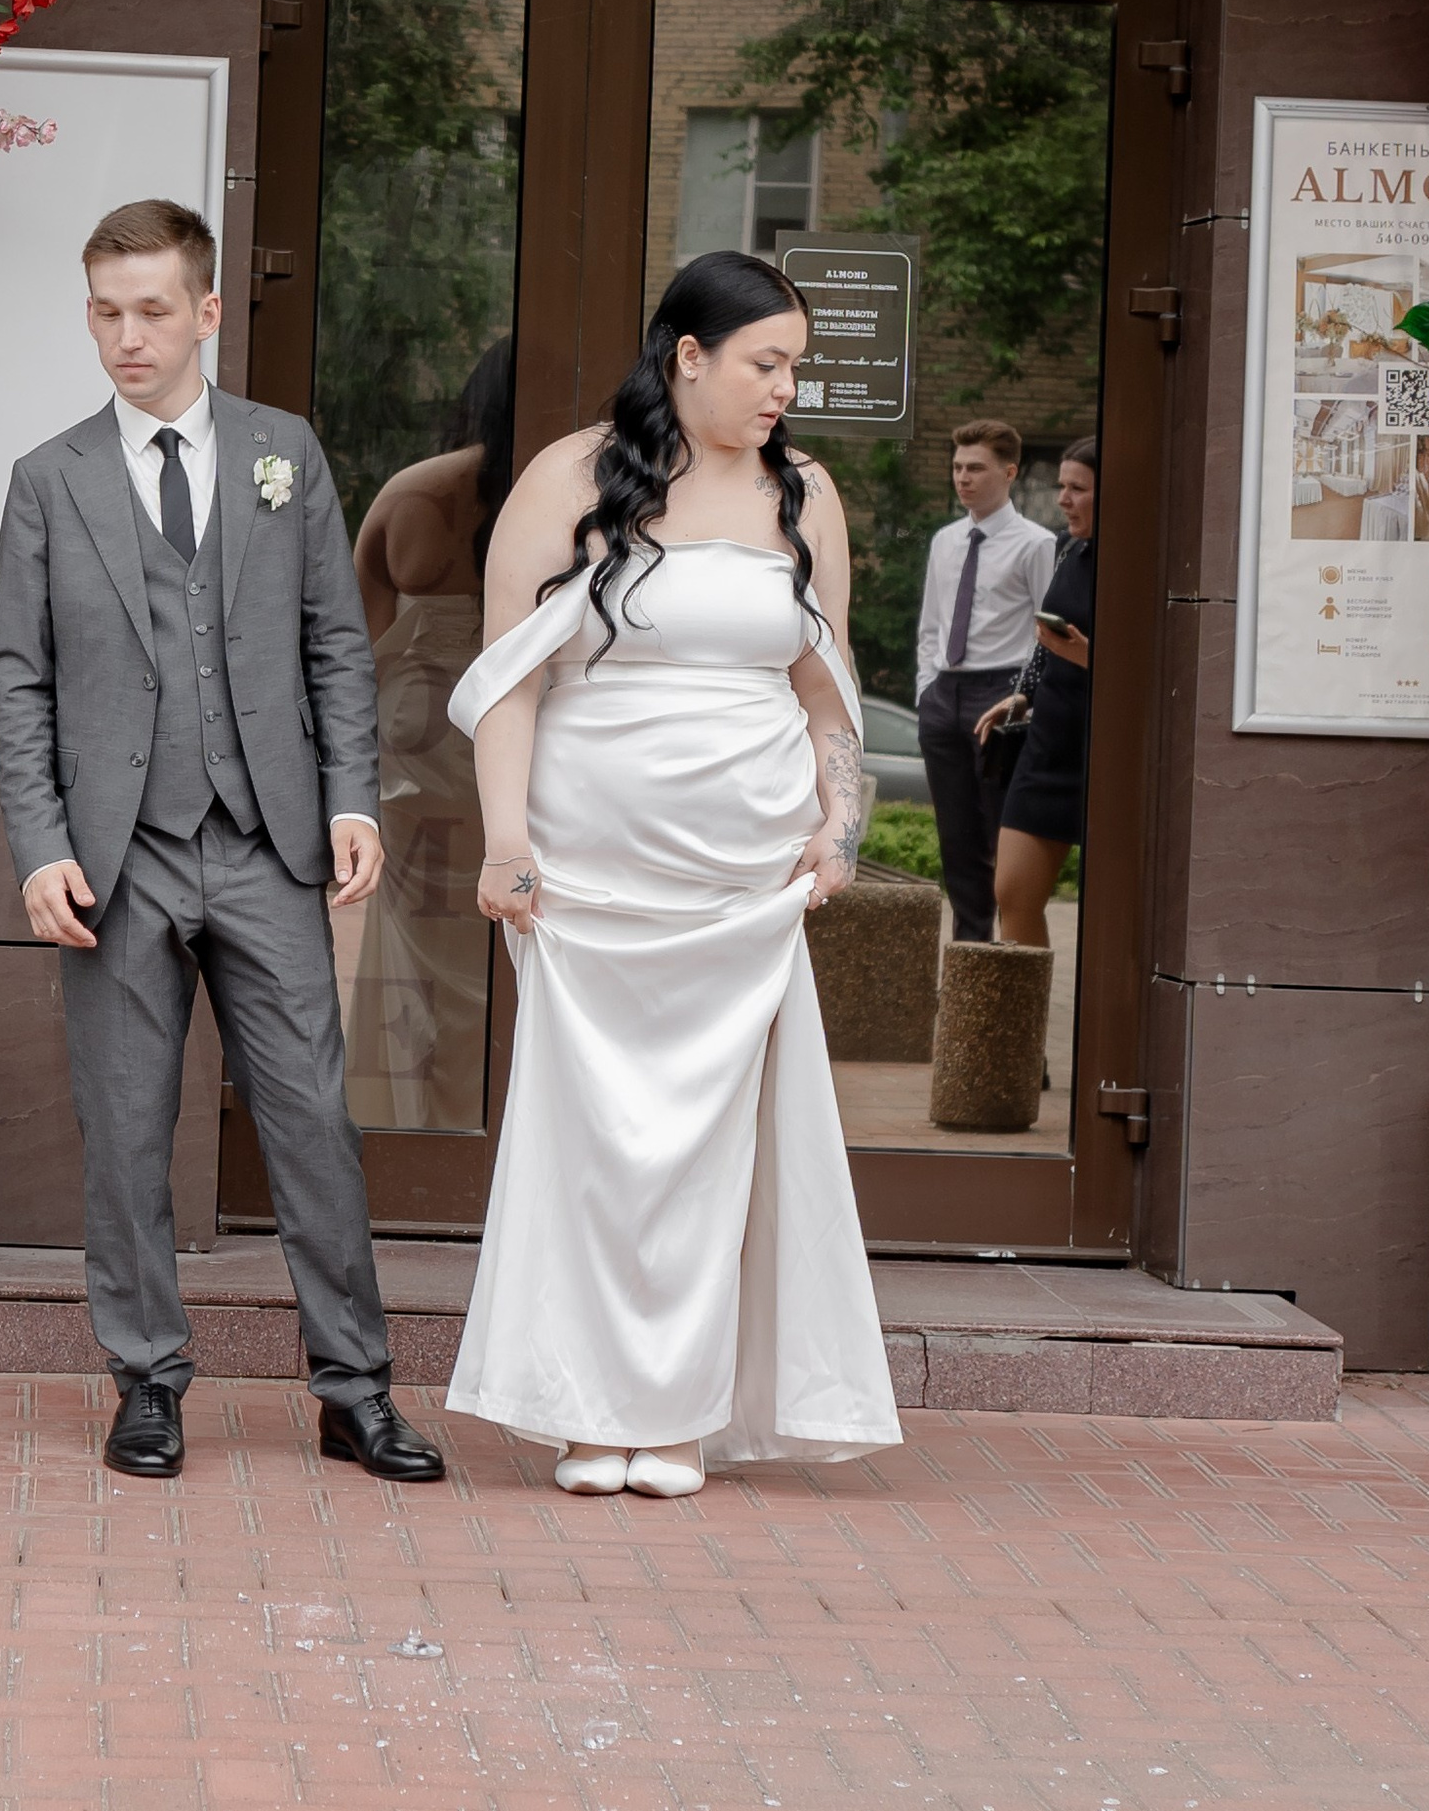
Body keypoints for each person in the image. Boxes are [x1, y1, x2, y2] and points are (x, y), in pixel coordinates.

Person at [0, 197, 446, 1487]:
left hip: (263, 846)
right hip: (113, 858)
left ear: (203, 313)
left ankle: (354, 1390)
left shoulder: (282, 453)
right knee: (127, 1132)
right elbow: (18, 680)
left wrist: (351, 800)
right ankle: (146, 1382)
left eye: (149, 311)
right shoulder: (47, 480)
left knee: (311, 1123)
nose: (125, 337)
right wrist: (39, 846)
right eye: (104, 311)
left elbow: (334, 648)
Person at [444, 249, 903, 1496]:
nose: (783, 389)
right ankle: (591, 1411)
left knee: (715, 1152)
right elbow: (507, 681)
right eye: (766, 363)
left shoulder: (803, 492)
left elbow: (830, 694)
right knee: (593, 1142)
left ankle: (682, 1416)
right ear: (685, 355)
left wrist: (837, 830)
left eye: (795, 367)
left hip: (741, 882)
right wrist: (505, 845)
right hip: (590, 874)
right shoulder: (570, 479)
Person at [345, 336, 513, 1129]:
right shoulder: (559, 498)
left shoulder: (411, 491)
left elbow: (353, 641)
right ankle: (486, 1111)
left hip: (410, 736)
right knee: (496, 932)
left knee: (411, 936)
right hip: (500, 740)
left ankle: (405, 1115)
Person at [912, 420, 1056, 946]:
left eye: (976, 468)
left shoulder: (1036, 544)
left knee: (1001, 833)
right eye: (957, 468)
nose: (963, 478)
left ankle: (1006, 951)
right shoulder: (946, 541)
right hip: (945, 693)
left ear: (1009, 472)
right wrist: (927, 688)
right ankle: (969, 949)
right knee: (956, 838)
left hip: (1002, 693)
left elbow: (1048, 632)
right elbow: (932, 624)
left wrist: (1027, 699)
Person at [975, 436, 1096, 950]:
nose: (1063, 499)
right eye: (1061, 486)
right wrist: (1022, 695)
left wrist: (1090, 659)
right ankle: (1025, 1025)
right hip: (1048, 741)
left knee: (1115, 906)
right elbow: (1047, 645)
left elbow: (1155, 667)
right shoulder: (1071, 549)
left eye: (1078, 488)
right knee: (1013, 891)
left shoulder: (1140, 564)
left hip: (1104, 747)